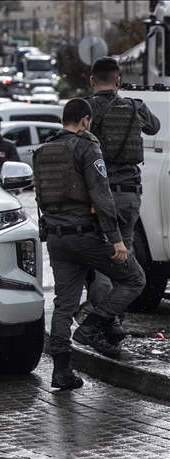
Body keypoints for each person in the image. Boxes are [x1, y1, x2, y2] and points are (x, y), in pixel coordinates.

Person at [32, 98, 145, 390]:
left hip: (57, 237)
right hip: (87, 236)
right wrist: (116, 239)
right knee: (135, 279)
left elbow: (40, 197)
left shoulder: (43, 150)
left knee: (64, 304)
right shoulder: (87, 146)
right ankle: (93, 327)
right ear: (85, 120)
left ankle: (61, 370)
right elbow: (101, 195)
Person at [84, 56, 162, 343]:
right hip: (129, 195)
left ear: (92, 81)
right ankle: (113, 320)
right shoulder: (134, 106)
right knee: (123, 257)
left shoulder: (87, 108)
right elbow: (154, 127)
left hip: (97, 197)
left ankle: (106, 321)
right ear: (118, 80)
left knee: (102, 261)